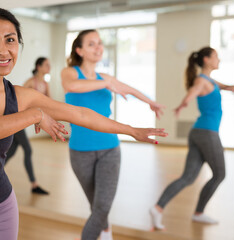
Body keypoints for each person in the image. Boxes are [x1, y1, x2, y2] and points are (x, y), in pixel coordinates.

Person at [0, 8, 167, 240]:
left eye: (10, 40)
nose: (3, 50)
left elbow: (79, 114)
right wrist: (35, 115)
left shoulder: (20, 96)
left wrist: (132, 130)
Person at [61, 29, 165, 240]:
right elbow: (71, 86)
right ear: (79, 50)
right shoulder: (70, 72)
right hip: (80, 152)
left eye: (99, 43)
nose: (98, 47)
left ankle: (102, 233)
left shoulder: (105, 77)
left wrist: (150, 102)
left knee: (101, 207)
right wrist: (107, 83)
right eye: (91, 44)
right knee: (97, 206)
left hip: (110, 149)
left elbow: (130, 89)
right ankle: (106, 232)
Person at [150, 47, 234, 230]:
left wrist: (230, 87)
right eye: (216, 57)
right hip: (207, 133)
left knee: (188, 177)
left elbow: (217, 85)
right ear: (206, 60)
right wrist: (183, 105)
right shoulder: (201, 81)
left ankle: (158, 208)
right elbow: (194, 91)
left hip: (198, 132)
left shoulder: (209, 80)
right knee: (220, 174)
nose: (219, 59)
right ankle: (198, 212)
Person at [5, 57, 51, 195]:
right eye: (46, 65)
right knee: (28, 149)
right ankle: (34, 184)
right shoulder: (31, 82)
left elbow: (49, 103)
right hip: (17, 118)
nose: (49, 67)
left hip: (26, 120)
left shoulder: (45, 84)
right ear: (39, 66)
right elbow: (16, 101)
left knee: (12, 151)